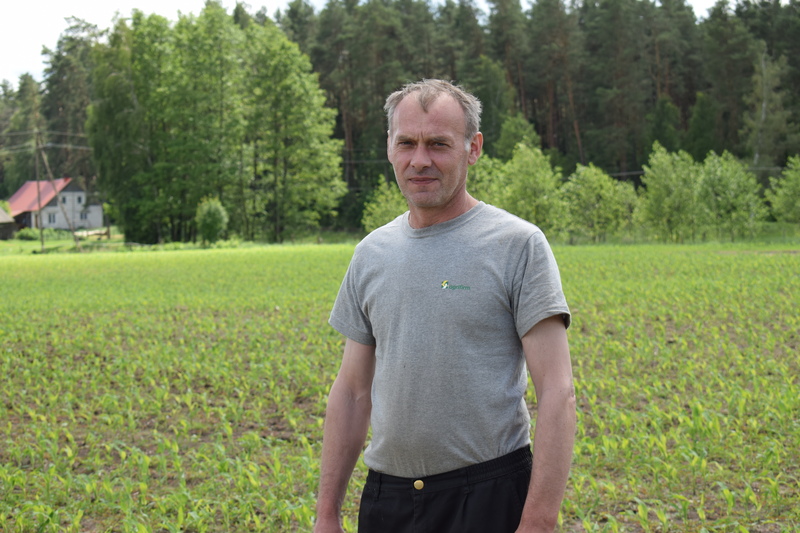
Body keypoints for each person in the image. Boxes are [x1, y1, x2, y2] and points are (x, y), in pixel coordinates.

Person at [314, 79, 576, 533]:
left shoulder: (517, 245)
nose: (420, 160)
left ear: (473, 148)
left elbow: (557, 391)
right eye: (407, 143)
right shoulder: (370, 254)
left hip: (489, 496)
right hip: (387, 501)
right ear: (390, 148)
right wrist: (326, 514)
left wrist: (538, 521)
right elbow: (352, 393)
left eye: (438, 144)